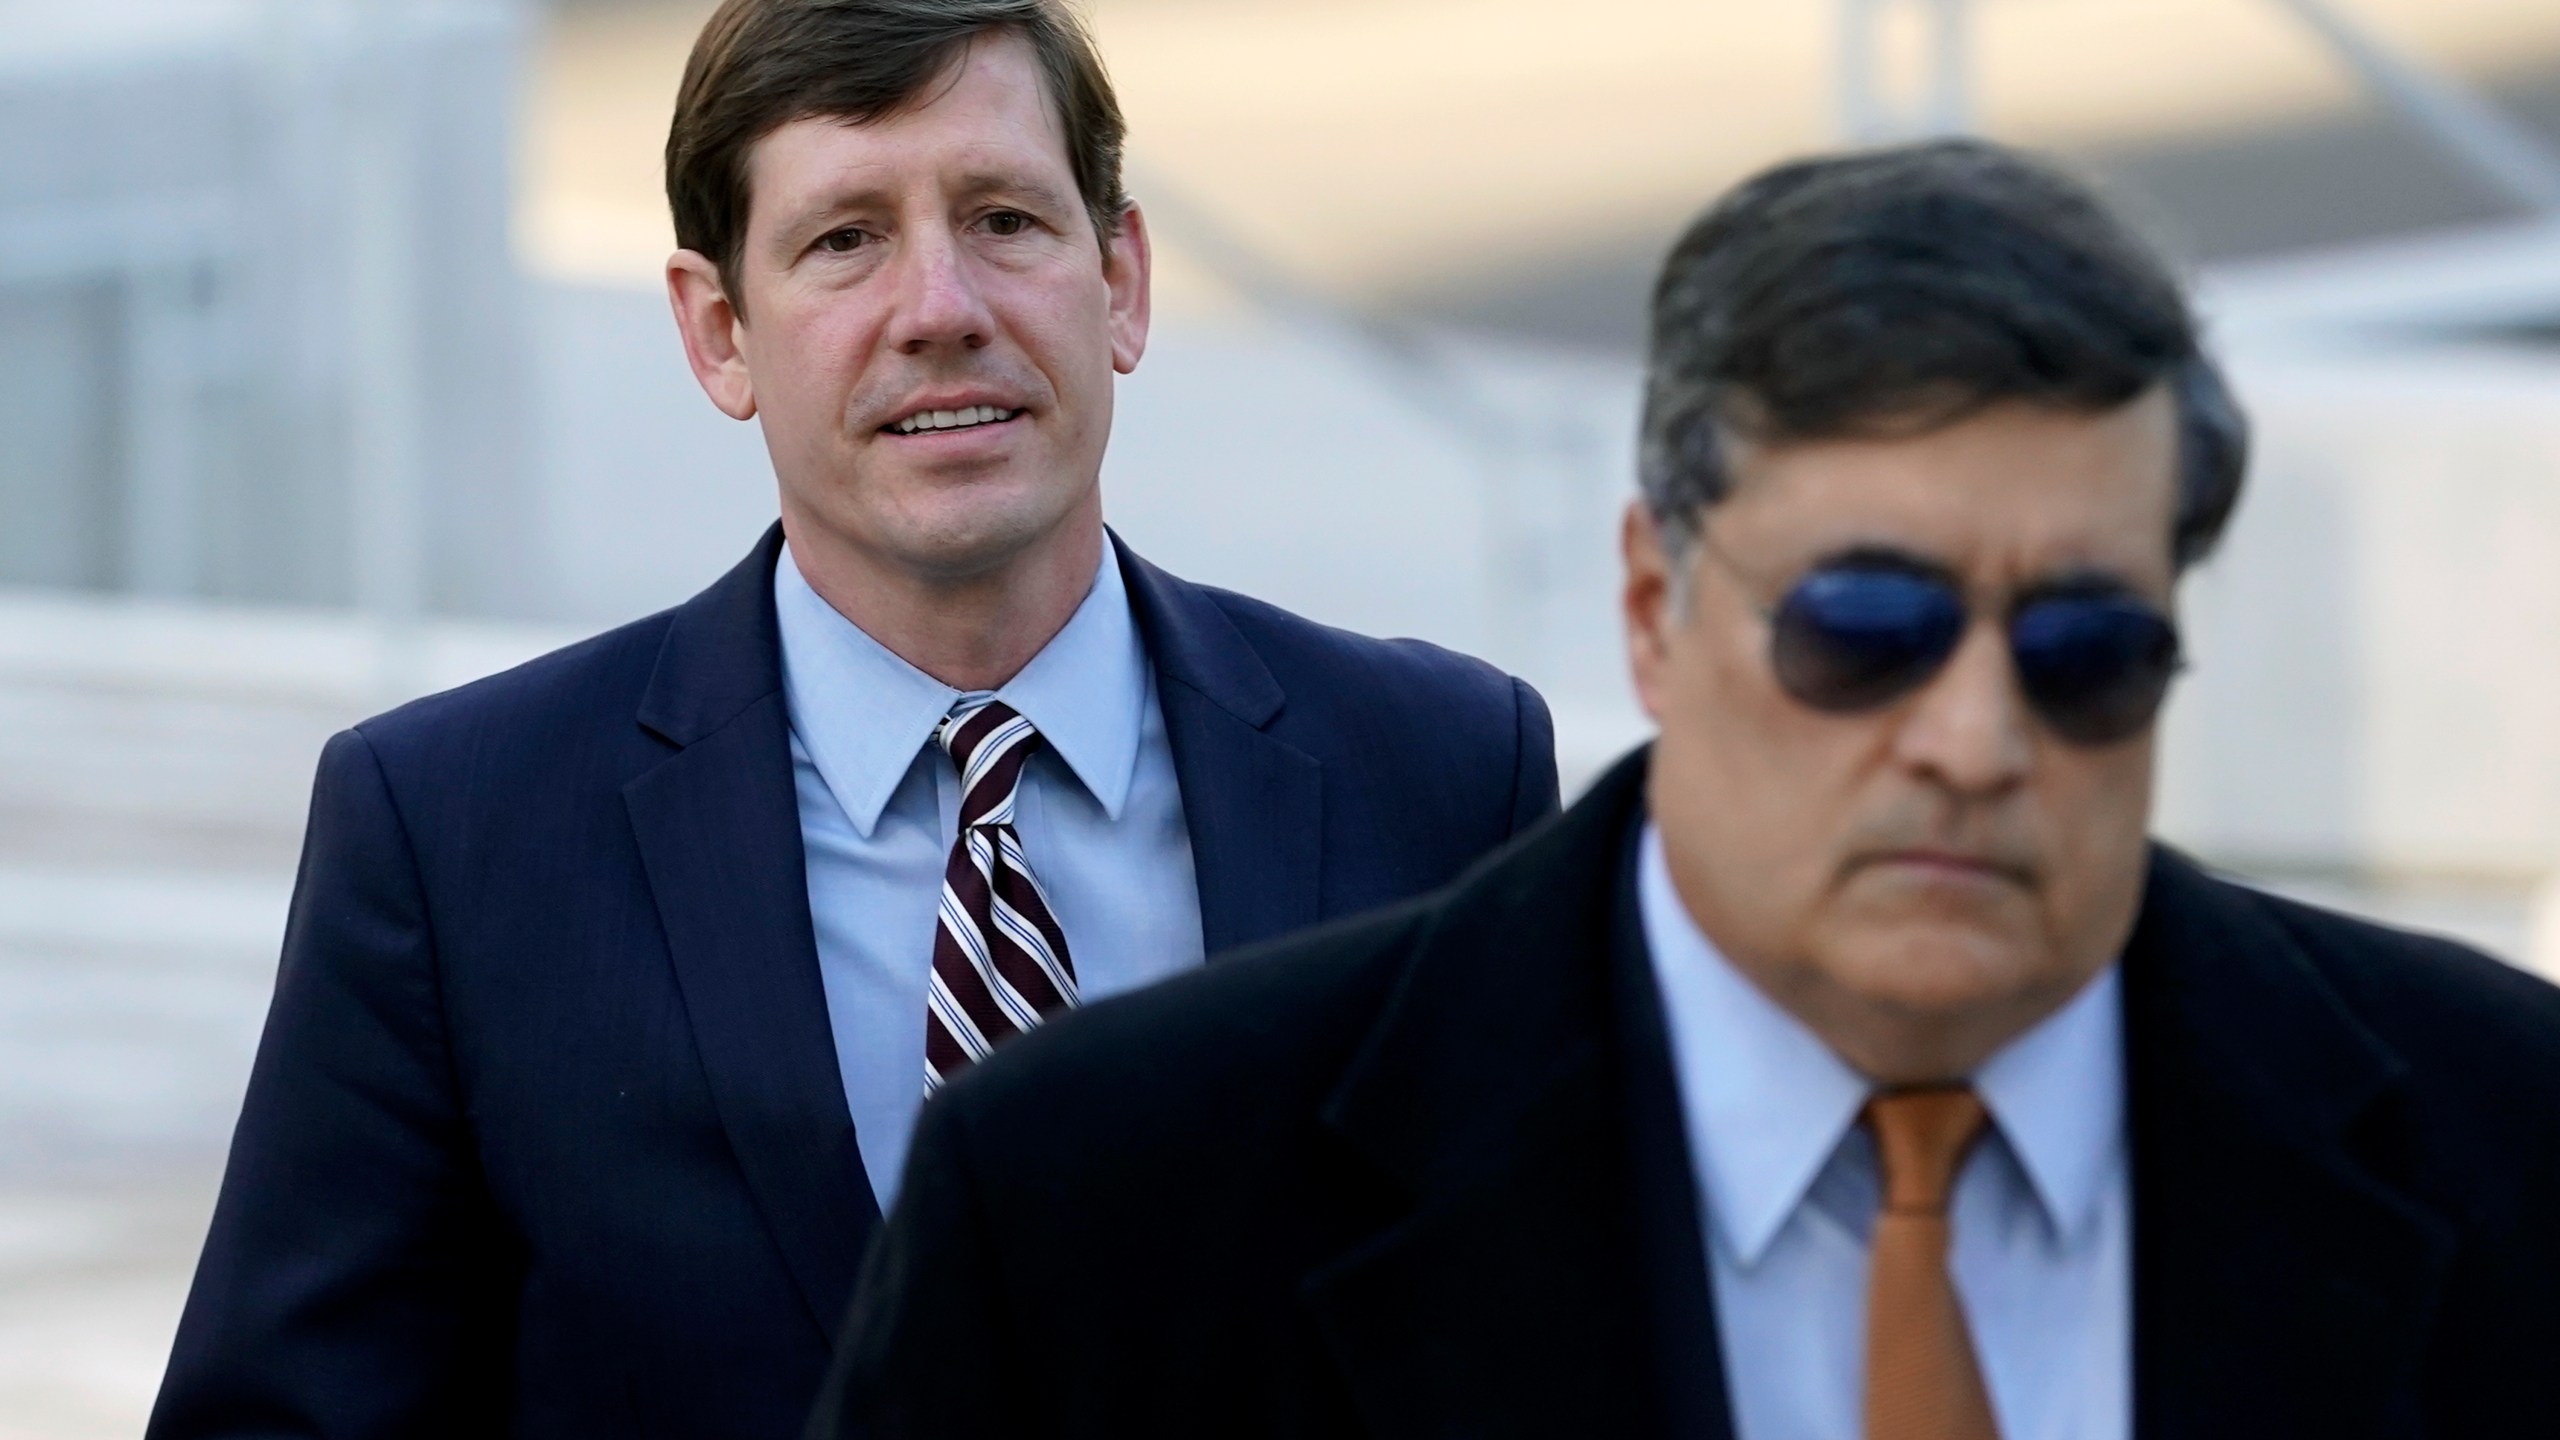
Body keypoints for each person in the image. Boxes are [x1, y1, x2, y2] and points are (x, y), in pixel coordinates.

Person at [817, 139, 2560, 1439]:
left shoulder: (2513, 1152)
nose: (1975, 736)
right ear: (1655, 608)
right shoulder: (1106, 1219)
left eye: (2084, 648)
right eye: (1866, 628)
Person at [145, 2, 1557, 1436]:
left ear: (1120, 280)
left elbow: (1574, 1350)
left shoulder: (1445, 776)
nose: (940, 307)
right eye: (844, 240)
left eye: (1004, 218)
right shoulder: (455, 838)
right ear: (720, 333)